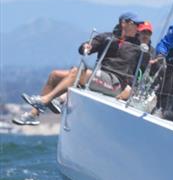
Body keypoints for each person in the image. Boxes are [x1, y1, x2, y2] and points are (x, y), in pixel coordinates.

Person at [13, 12, 147, 126]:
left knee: (77, 73)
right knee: (54, 75)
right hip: (100, 76)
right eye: (136, 24)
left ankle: (46, 100)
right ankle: (33, 115)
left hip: (116, 83)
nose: (138, 28)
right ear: (125, 23)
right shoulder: (106, 37)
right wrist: (86, 47)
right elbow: (88, 46)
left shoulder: (139, 46)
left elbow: (146, 67)